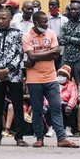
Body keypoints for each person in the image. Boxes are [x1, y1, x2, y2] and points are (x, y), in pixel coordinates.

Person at [22, 10, 76, 148]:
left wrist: (36, 55)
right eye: (44, 22)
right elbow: (32, 56)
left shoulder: (51, 33)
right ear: (35, 23)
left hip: (51, 77)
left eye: (47, 21)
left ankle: (61, 138)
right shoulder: (27, 36)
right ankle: (39, 137)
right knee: (38, 109)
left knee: (56, 107)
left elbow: (56, 53)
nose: (46, 24)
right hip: (34, 80)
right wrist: (48, 53)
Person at [0, 8, 26, 147]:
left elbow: (20, 54)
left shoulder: (18, 34)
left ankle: (19, 136)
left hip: (14, 74)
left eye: (4, 18)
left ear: (10, 19)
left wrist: (8, 69)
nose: (1, 21)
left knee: (18, 105)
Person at [59, 2, 80, 85]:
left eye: (75, 9)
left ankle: (79, 98)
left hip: (79, 59)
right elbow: (60, 40)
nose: (73, 11)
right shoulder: (65, 24)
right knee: (63, 82)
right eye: (71, 9)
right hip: (66, 58)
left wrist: (68, 37)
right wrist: (74, 39)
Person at [56, 65, 79, 137]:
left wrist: (70, 105)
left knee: (74, 108)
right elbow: (47, 96)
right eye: (60, 74)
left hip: (66, 104)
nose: (61, 76)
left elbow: (74, 96)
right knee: (49, 107)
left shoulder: (72, 85)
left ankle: (68, 129)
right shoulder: (53, 84)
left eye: (63, 75)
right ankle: (52, 129)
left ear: (67, 77)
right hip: (55, 104)